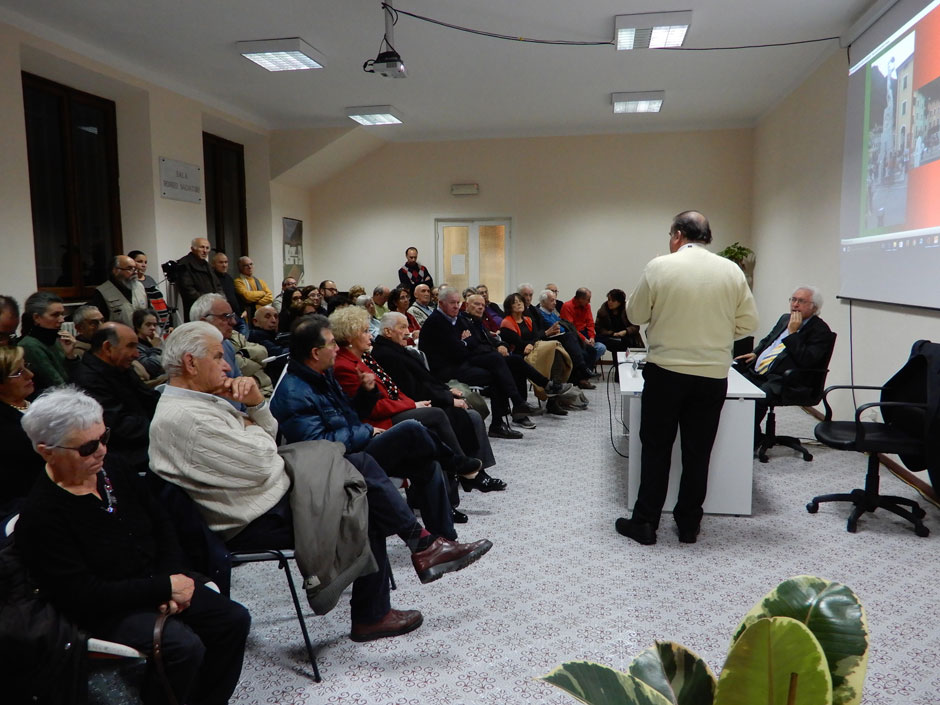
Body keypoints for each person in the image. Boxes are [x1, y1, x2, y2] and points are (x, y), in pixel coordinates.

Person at [151, 321, 491, 642]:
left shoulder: (206, 402)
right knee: (364, 487)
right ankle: (400, 579)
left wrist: (255, 408)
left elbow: (271, 440)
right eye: (217, 357)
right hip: (257, 515)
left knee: (374, 469)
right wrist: (257, 428)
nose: (227, 366)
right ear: (190, 363)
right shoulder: (187, 417)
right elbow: (266, 459)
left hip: (274, 490)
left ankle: (421, 552)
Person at [16, 386, 251, 705]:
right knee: (182, 647)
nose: (100, 450)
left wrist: (170, 579)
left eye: (104, 437)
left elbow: (161, 523)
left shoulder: (112, 469)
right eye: (87, 447)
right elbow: (82, 594)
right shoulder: (42, 514)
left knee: (233, 620)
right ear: (47, 451)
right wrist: (161, 588)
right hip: (106, 606)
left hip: (155, 579)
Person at [615, 211, 758, 546]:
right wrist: (718, 335)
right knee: (698, 452)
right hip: (711, 375)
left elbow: (635, 315)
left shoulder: (660, 266)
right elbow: (748, 324)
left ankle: (646, 523)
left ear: (678, 235)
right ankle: (689, 525)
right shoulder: (731, 271)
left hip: (665, 372)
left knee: (656, 449)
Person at [272, 314, 473, 539]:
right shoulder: (294, 393)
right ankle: (456, 463)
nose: (337, 348)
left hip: (356, 445)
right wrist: (367, 431)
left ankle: (445, 539)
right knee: (412, 428)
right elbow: (319, 445)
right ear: (315, 353)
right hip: (339, 461)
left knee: (428, 464)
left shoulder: (321, 375)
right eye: (331, 344)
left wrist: (366, 393)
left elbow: (350, 412)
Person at [329, 306, 505, 501]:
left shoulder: (364, 358)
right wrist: (413, 405)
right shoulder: (346, 366)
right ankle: (460, 469)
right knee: (437, 415)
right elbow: (373, 408)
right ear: (350, 336)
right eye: (364, 331)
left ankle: (465, 479)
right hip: (379, 421)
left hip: (397, 408)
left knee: (461, 415)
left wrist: (415, 403)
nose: (370, 334)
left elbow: (394, 389)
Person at [373, 311, 499, 474]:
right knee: (466, 414)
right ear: (388, 332)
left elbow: (426, 378)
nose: (408, 332)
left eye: (407, 327)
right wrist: (448, 399)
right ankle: (470, 472)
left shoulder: (396, 349)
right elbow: (413, 389)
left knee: (471, 413)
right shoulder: (386, 354)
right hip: (415, 402)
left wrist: (447, 390)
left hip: (427, 396)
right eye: (402, 327)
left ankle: (480, 470)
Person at [419, 287, 542, 439]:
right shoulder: (436, 321)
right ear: (441, 302)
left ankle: (509, 413)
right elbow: (459, 350)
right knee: (497, 372)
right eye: (452, 303)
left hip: (463, 362)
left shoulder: (456, 319)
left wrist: (464, 343)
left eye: (458, 302)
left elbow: (471, 343)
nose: (456, 306)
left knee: (505, 365)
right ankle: (508, 412)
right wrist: (464, 343)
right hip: (446, 370)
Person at [734, 286, 833, 444]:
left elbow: (807, 360)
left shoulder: (820, 331)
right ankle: (741, 436)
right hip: (761, 372)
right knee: (734, 390)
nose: (795, 304)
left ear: (814, 307)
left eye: (801, 301)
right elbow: (769, 340)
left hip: (786, 380)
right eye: (793, 299)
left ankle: (747, 442)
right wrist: (756, 353)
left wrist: (793, 334)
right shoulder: (785, 319)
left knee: (756, 398)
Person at [70, 322, 160, 475]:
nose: (136, 354)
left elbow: (150, 398)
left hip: (145, 438)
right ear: (107, 347)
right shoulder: (87, 380)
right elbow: (118, 427)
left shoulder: (121, 368)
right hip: (123, 456)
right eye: (131, 346)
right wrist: (163, 427)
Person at [499, 292, 574, 415]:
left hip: (533, 349)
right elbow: (518, 343)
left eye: (520, 301)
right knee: (552, 349)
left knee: (555, 353)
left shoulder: (528, 319)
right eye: (515, 302)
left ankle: (553, 392)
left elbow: (536, 337)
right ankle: (552, 389)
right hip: (518, 354)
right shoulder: (506, 323)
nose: (519, 303)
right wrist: (529, 344)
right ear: (509, 307)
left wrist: (531, 344)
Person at [0, 345, 42, 518]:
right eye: (18, 372)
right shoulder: (5, 429)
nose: (30, 375)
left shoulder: (38, 400)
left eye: (27, 366)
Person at [528, 285, 595, 389]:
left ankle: (583, 376)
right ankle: (582, 370)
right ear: (543, 302)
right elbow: (555, 328)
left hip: (564, 338)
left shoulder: (552, 313)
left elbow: (563, 326)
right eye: (552, 301)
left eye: (555, 300)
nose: (555, 303)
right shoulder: (539, 313)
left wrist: (591, 337)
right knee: (572, 340)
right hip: (551, 340)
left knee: (591, 350)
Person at [18, 291, 77, 396]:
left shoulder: (56, 339)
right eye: (55, 315)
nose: (62, 320)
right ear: (36, 318)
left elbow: (78, 376)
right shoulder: (29, 345)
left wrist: (70, 356)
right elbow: (58, 386)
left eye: (62, 314)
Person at [88, 255, 148, 326]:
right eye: (130, 268)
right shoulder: (102, 291)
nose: (135, 272)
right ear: (115, 271)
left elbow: (148, 312)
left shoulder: (140, 287)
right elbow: (101, 322)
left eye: (135, 268)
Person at [177, 237, 221, 322]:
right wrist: (207, 303)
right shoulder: (184, 264)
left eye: (207, 248)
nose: (205, 251)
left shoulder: (207, 265)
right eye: (202, 247)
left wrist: (220, 301)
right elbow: (188, 290)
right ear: (193, 249)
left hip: (212, 310)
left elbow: (218, 285)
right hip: (196, 310)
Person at [561, 287, 606, 367]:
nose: (589, 302)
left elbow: (590, 323)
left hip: (586, 335)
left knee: (601, 347)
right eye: (588, 299)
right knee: (584, 352)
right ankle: (584, 370)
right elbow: (571, 328)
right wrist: (584, 340)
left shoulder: (587, 306)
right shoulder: (567, 306)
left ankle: (585, 368)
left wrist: (592, 337)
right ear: (581, 299)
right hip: (575, 337)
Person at [129, 249, 173, 331]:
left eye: (145, 262)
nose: (143, 265)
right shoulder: (132, 284)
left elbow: (160, 300)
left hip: (163, 322)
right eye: (140, 261)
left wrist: (170, 323)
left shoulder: (150, 279)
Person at [595, 288, 644, 353]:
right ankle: (617, 362)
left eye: (613, 300)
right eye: (609, 300)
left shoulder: (628, 310)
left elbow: (636, 326)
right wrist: (612, 333)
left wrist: (625, 331)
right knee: (614, 343)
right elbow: (598, 328)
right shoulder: (603, 311)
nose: (610, 302)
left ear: (620, 302)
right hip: (610, 337)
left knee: (626, 342)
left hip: (627, 336)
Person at [209, 251, 247, 333]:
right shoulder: (212, 279)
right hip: (225, 316)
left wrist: (243, 310)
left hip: (237, 315)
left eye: (226, 262)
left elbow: (235, 295)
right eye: (221, 262)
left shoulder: (229, 277)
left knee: (243, 339)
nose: (224, 265)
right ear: (213, 264)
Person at [233, 256, 273, 324]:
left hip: (262, 319)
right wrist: (263, 293)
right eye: (246, 265)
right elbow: (247, 296)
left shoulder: (260, 281)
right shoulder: (238, 282)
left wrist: (254, 301)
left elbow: (270, 298)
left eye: (251, 264)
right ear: (240, 267)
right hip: (247, 319)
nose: (249, 267)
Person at [134, 307, 166, 382]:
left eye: (154, 325)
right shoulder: (135, 346)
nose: (152, 328)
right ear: (138, 326)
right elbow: (151, 367)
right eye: (148, 325)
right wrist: (155, 348)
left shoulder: (154, 340)